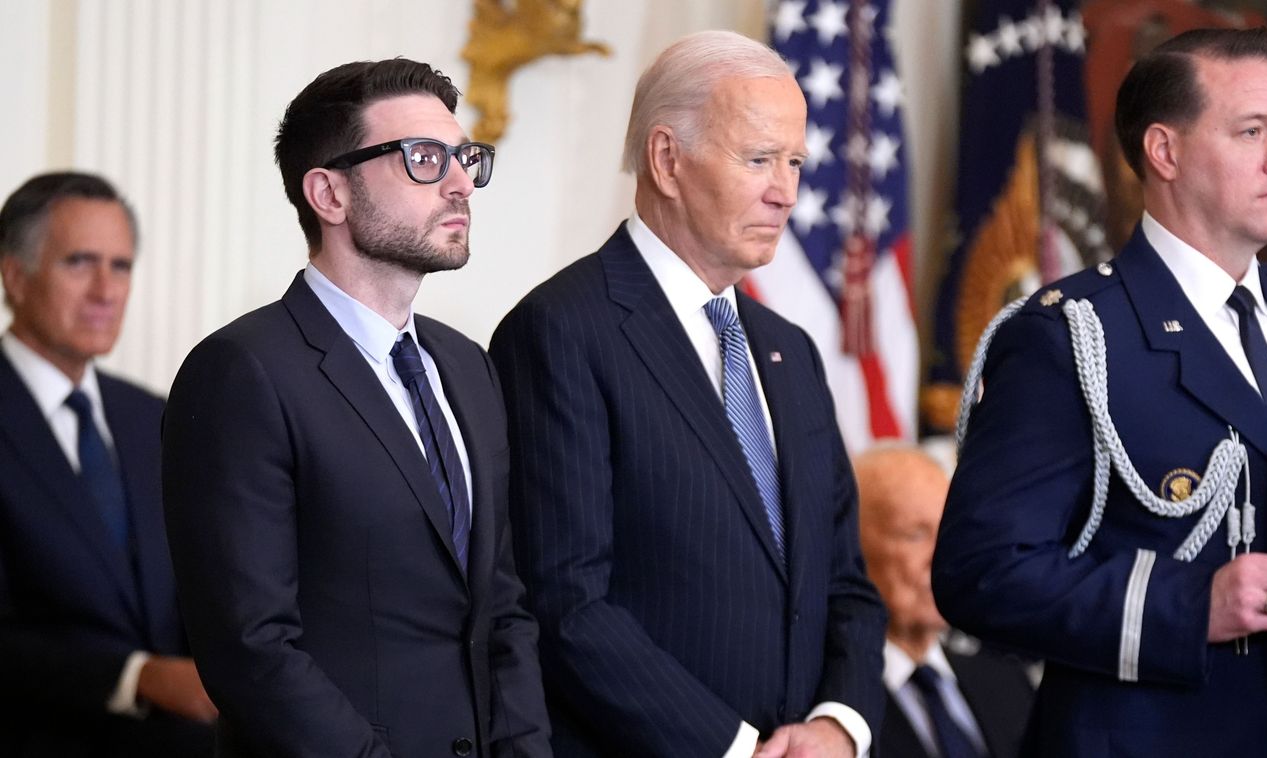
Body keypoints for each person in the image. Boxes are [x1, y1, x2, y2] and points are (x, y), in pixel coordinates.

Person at [933, 27, 1267, 756]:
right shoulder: (1071, 335)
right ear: (1164, 151)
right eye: (1251, 132)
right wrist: (1190, 607)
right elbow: (981, 574)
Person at [489, 29, 886, 758]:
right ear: (666, 159)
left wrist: (838, 725)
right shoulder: (559, 331)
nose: (786, 191)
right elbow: (566, 603)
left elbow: (845, 586)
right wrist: (733, 749)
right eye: (759, 159)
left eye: (794, 161)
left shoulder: (790, 352)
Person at [161, 59, 550, 757]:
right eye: (425, 160)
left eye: (464, 158)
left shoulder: (467, 365)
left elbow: (502, 606)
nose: (462, 182)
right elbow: (250, 648)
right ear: (329, 194)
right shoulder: (242, 372)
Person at [0, 172, 215, 757]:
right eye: (80, 262)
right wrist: (137, 677)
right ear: (15, 276)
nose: (106, 290)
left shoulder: (154, 418)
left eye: (120, 267)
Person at [854, 445, 1032, 758]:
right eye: (915, 534)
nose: (943, 557)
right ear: (850, 547)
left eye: (949, 532)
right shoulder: (830, 708)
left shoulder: (1006, 681)